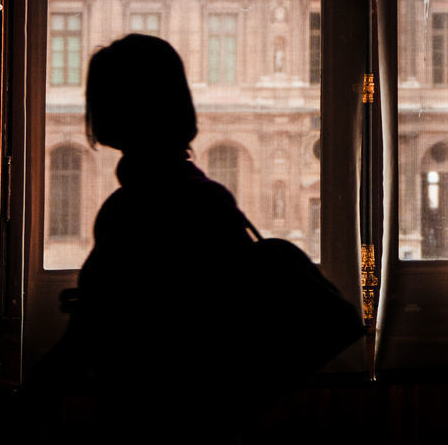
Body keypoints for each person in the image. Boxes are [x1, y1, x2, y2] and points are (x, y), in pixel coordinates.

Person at [19, 36, 279, 443]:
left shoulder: (138, 205)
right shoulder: (203, 194)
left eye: (100, 96)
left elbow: (88, 336)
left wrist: (22, 406)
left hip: (150, 419)